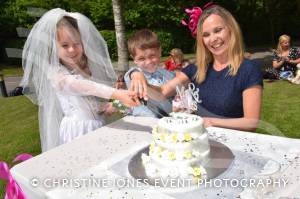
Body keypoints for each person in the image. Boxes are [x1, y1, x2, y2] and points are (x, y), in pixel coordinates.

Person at [20, 8, 138, 152]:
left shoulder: (84, 68)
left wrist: (105, 107)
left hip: (96, 125)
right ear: (53, 47)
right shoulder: (56, 73)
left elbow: (87, 100)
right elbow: (79, 86)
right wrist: (116, 93)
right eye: (65, 45)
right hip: (78, 131)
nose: (72, 49)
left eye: (77, 44)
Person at [129, 6, 263, 132]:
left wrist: (211, 122)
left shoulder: (248, 69)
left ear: (230, 29)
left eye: (218, 30)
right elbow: (162, 92)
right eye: (206, 35)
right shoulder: (197, 69)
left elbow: (251, 123)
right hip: (197, 141)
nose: (213, 39)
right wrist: (137, 75)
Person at [124, 29, 175, 117]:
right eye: (141, 58)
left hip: (168, 121)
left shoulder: (169, 75)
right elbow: (131, 74)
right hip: (144, 122)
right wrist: (135, 74)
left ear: (159, 52)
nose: (148, 62)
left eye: (152, 56)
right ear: (134, 59)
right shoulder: (134, 75)